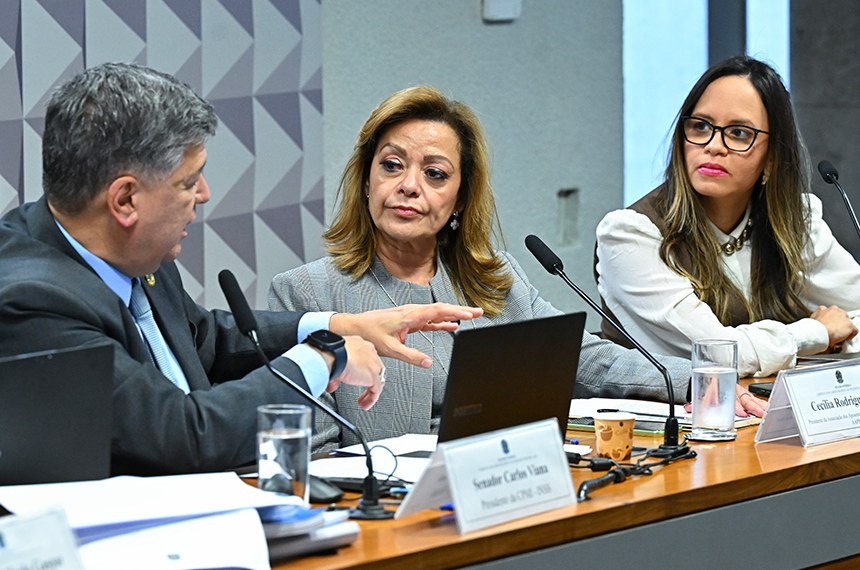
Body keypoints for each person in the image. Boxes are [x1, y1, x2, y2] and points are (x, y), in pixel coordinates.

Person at [0, 63, 481, 476]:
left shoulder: (133, 253)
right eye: (189, 181)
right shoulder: (33, 301)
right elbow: (183, 436)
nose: (204, 194)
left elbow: (205, 339)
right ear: (126, 200)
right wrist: (324, 359)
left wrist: (338, 326)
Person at [269, 86, 757, 452]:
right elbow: (313, 451)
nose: (409, 186)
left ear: (461, 197)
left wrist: (700, 379)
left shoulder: (494, 279)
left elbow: (590, 360)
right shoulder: (306, 295)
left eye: (435, 174)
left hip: (501, 491)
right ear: (366, 180)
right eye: (391, 165)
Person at [595, 55, 860, 379]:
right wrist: (816, 334)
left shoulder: (794, 222)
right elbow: (715, 353)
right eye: (700, 126)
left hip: (766, 404)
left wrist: (839, 338)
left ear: (772, 157)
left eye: (738, 133)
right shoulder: (631, 235)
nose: (713, 145)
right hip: (665, 409)